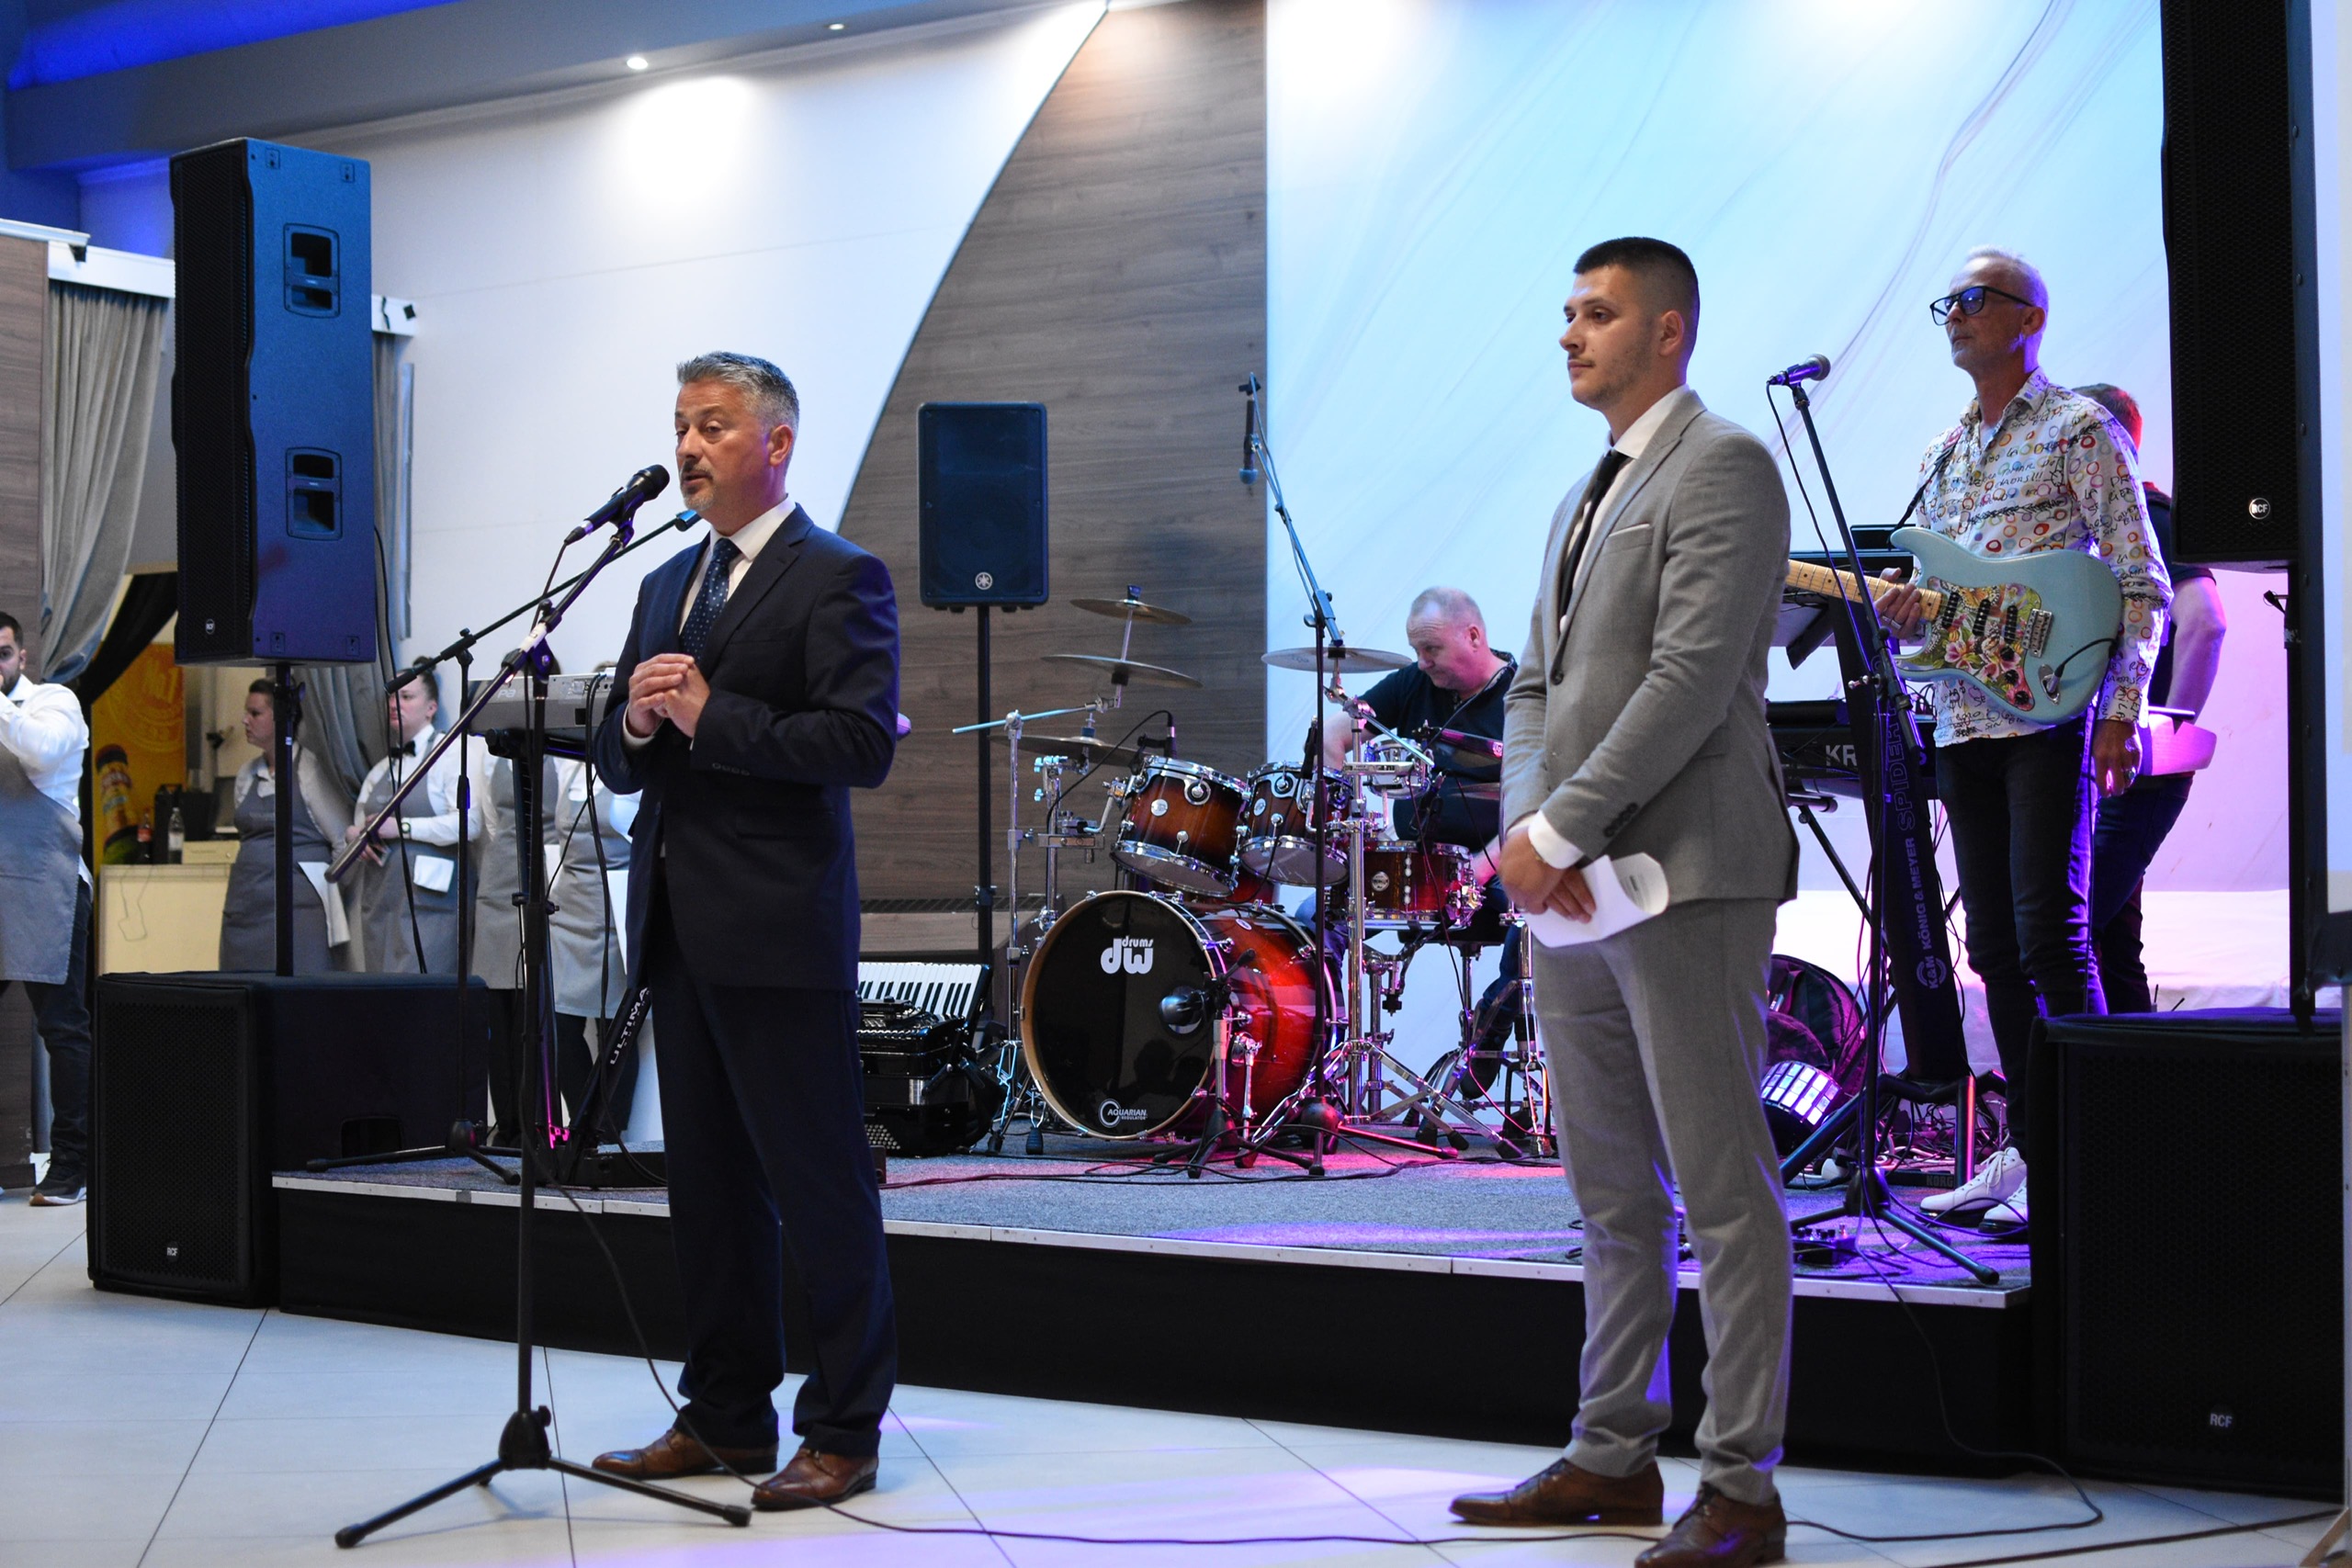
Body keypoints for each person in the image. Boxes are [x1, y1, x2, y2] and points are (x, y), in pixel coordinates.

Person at [1450, 238, 1799, 1568]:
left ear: (1667, 332)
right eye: (1566, 312)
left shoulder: (1724, 464)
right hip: (1573, 890)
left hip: (1685, 872)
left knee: (1722, 1191)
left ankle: (1742, 1490)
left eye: (1595, 314)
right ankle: (1612, 1455)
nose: (1569, 334)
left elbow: (1692, 680)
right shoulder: (1582, 493)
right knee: (1606, 1188)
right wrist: (1525, 828)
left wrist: (1560, 827)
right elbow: (1532, 688)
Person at [591, 352, 900, 1510]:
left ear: (776, 442)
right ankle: (724, 1415)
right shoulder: (665, 581)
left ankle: (844, 1428)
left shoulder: (840, 576)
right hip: (677, 922)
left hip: (778, 927)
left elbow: (858, 746)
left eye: (713, 425)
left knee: (818, 1187)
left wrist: (714, 716)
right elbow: (622, 755)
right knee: (709, 1192)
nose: (688, 446)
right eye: (681, 424)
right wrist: (633, 721)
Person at [1880, 254, 2171, 1230]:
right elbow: (1943, 603)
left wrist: (2122, 708)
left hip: (2049, 717)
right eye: (1947, 303)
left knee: (2054, 935)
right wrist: (1903, 613)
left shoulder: (2077, 428)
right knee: (1996, 947)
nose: (1954, 316)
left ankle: (2093, 1151)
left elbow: (2139, 580)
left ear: (2027, 318)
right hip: (1964, 717)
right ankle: (2037, 1148)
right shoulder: (1943, 451)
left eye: (1972, 300)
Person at [2074, 382, 2226, 1013]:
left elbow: (2206, 622)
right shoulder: (2104, 523)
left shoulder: (2150, 516)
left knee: (2071, 932)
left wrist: (2166, 734)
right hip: (2116, 765)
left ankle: (2077, 1070)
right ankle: (2130, 1072)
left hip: (2134, 766)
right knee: (2109, 941)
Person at [0, 614, 95, 1206]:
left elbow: (39, 753)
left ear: (22, 657)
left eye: (1, 654)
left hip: (45, 883)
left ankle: (72, 1168)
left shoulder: (53, 703)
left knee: (61, 1028)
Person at [1327, 586, 1511, 880]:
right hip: (1412, 870)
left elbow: (1541, 802)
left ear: (1473, 637)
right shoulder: (1413, 681)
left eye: (1432, 649)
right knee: (1314, 907)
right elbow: (1330, 737)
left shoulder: (1521, 697)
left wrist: (1480, 870)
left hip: (1494, 873)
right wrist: (1351, 834)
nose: (1423, 662)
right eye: (1416, 651)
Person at [219, 679, 353, 973]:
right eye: (246, 712)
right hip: (246, 907)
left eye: (255, 713)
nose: (245, 720)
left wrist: (329, 893)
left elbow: (342, 841)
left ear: (281, 719)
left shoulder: (309, 769)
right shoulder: (247, 774)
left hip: (299, 912)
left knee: (299, 983)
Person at [345, 672, 475, 976]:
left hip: (430, 907)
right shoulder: (382, 768)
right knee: (381, 990)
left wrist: (403, 828)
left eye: (406, 697)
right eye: (391, 697)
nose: (395, 704)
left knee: (425, 990)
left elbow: (470, 822)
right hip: (380, 903)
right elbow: (358, 823)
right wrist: (355, 836)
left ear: (431, 707)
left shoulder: (450, 754)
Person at [548, 735, 639, 1142]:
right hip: (568, 911)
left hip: (618, 909)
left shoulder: (637, 770)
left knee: (615, 1031)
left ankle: (609, 1133)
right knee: (558, 1027)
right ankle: (582, 1124)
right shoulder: (569, 765)